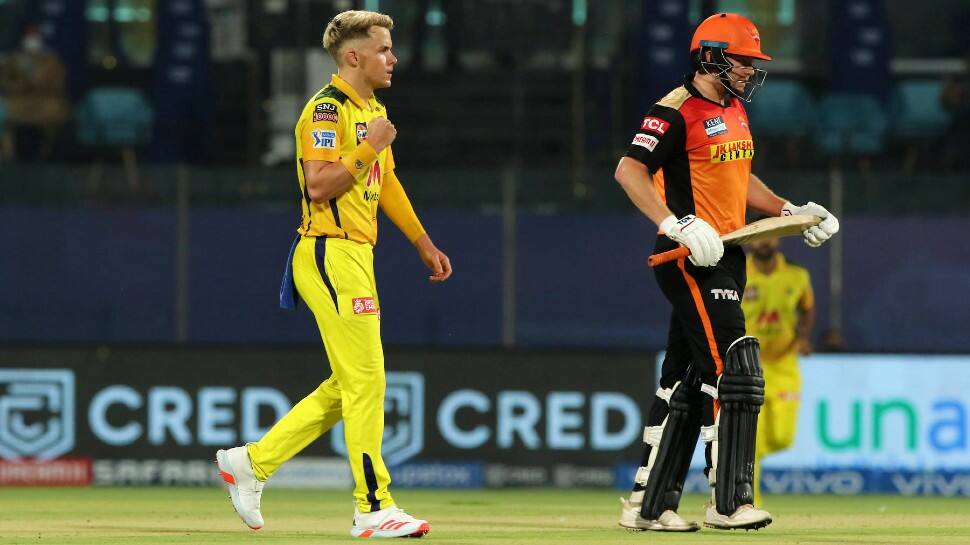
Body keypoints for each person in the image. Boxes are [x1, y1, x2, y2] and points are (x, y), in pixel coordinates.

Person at [215, 10, 452, 539]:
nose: (393, 58)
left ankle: (251, 464)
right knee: (367, 380)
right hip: (328, 252)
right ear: (353, 56)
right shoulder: (326, 111)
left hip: (354, 256)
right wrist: (372, 144)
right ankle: (373, 506)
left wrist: (421, 240)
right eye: (384, 48)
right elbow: (320, 185)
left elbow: (385, 184)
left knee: (350, 383)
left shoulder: (372, 109)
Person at [613, 13, 839, 532]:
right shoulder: (674, 110)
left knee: (684, 380)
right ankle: (729, 501)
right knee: (735, 369)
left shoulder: (733, 108)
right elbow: (629, 170)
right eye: (742, 60)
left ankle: (648, 506)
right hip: (689, 256)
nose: (749, 71)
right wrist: (676, 224)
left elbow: (738, 176)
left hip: (729, 253)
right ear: (709, 56)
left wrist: (786, 209)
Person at [741, 237, 815, 507]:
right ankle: (750, 501)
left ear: (779, 238)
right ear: (750, 241)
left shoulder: (797, 275)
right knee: (753, 441)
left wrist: (804, 337)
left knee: (783, 438)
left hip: (785, 365)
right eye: (758, 235)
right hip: (750, 364)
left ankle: (739, 458)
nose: (764, 241)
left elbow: (807, 309)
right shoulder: (738, 272)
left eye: (770, 234)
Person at [0, 24, 71, 160]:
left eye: (35, 36)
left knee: (57, 111)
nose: (32, 40)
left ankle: (47, 153)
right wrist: (23, 85)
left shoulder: (51, 60)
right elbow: (7, 83)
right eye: (29, 36)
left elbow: (58, 84)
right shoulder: (12, 60)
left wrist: (40, 84)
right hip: (17, 104)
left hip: (45, 104)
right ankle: (9, 156)